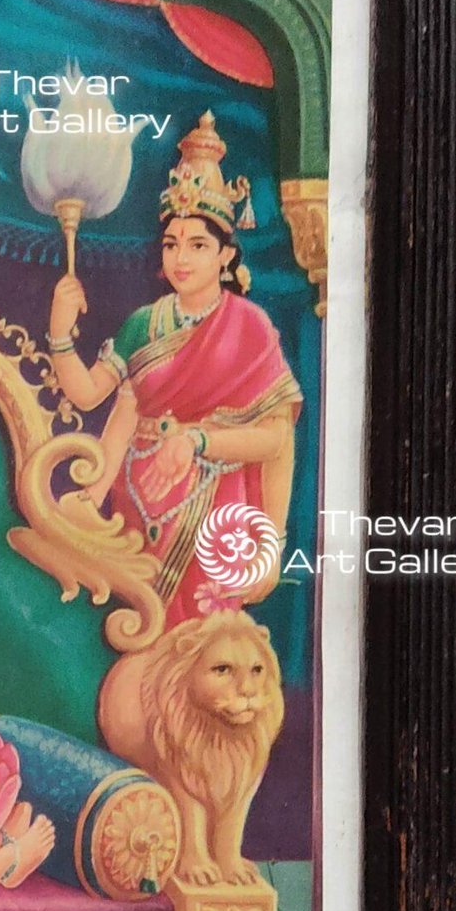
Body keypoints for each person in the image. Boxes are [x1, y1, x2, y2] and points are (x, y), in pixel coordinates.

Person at [45, 113, 301, 623]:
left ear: (226, 255)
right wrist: (59, 331)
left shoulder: (249, 327)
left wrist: (198, 444)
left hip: (215, 516)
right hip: (136, 510)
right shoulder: (145, 324)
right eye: (171, 243)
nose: (181, 258)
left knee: (201, 647)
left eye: (198, 245)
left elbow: (275, 441)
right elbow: (92, 397)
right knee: (135, 635)